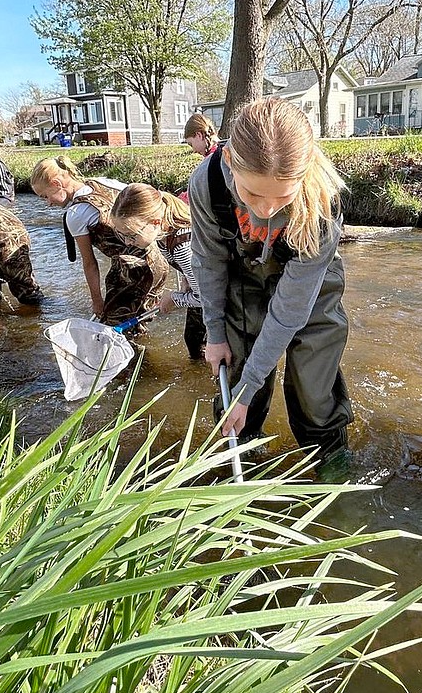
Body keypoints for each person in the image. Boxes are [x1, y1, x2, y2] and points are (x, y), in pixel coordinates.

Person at [188, 97, 353, 472]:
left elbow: (290, 311)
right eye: (252, 195)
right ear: (231, 163)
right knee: (238, 374)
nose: (265, 210)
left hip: (310, 280)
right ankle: (238, 452)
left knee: (314, 381)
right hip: (242, 275)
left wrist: (248, 385)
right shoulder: (207, 182)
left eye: (282, 197)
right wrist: (214, 333)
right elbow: (209, 261)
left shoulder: (324, 202)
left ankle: (329, 455)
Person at [30, 156, 169, 325]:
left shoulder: (75, 215)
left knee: (115, 326)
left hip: (132, 270)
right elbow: (143, 197)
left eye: (45, 196)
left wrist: (97, 302)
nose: (48, 203)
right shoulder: (101, 182)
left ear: (56, 184)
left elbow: (90, 263)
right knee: (138, 320)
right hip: (159, 264)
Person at [109, 182, 207, 360]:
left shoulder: (182, 246)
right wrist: (188, 280)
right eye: (121, 234)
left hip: (227, 298)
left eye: (131, 235)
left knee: (206, 348)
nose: (127, 242)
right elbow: (195, 271)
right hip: (207, 290)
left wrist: (174, 299)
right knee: (194, 340)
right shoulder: (163, 234)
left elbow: (205, 298)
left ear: (155, 222)